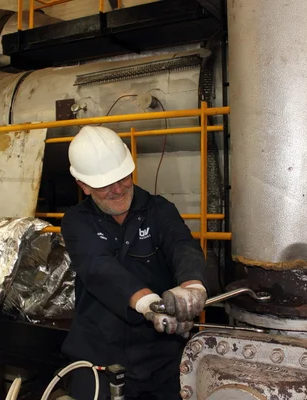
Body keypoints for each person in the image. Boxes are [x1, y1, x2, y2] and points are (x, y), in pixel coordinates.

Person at [61, 126, 208, 399]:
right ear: (83, 185)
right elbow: (98, 267)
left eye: (122, 177)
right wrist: (148, 304)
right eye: (104, 184)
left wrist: (192, 286)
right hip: (98, 353)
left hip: (161, 355)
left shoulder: (160, 210)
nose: (117, 189)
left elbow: (182, 246)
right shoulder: (76, 221)